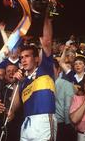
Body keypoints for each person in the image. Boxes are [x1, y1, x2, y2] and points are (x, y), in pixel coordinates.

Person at [10, 9, 56, 141]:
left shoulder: (45, 69)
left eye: (27, 56)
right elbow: (14, 106)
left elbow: (47, 42)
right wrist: (17, 83)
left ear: (37, 59)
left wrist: (47, 14)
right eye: (21, 58)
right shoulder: (23, 80)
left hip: (43, 122)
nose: (23, 60)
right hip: (26, 123)